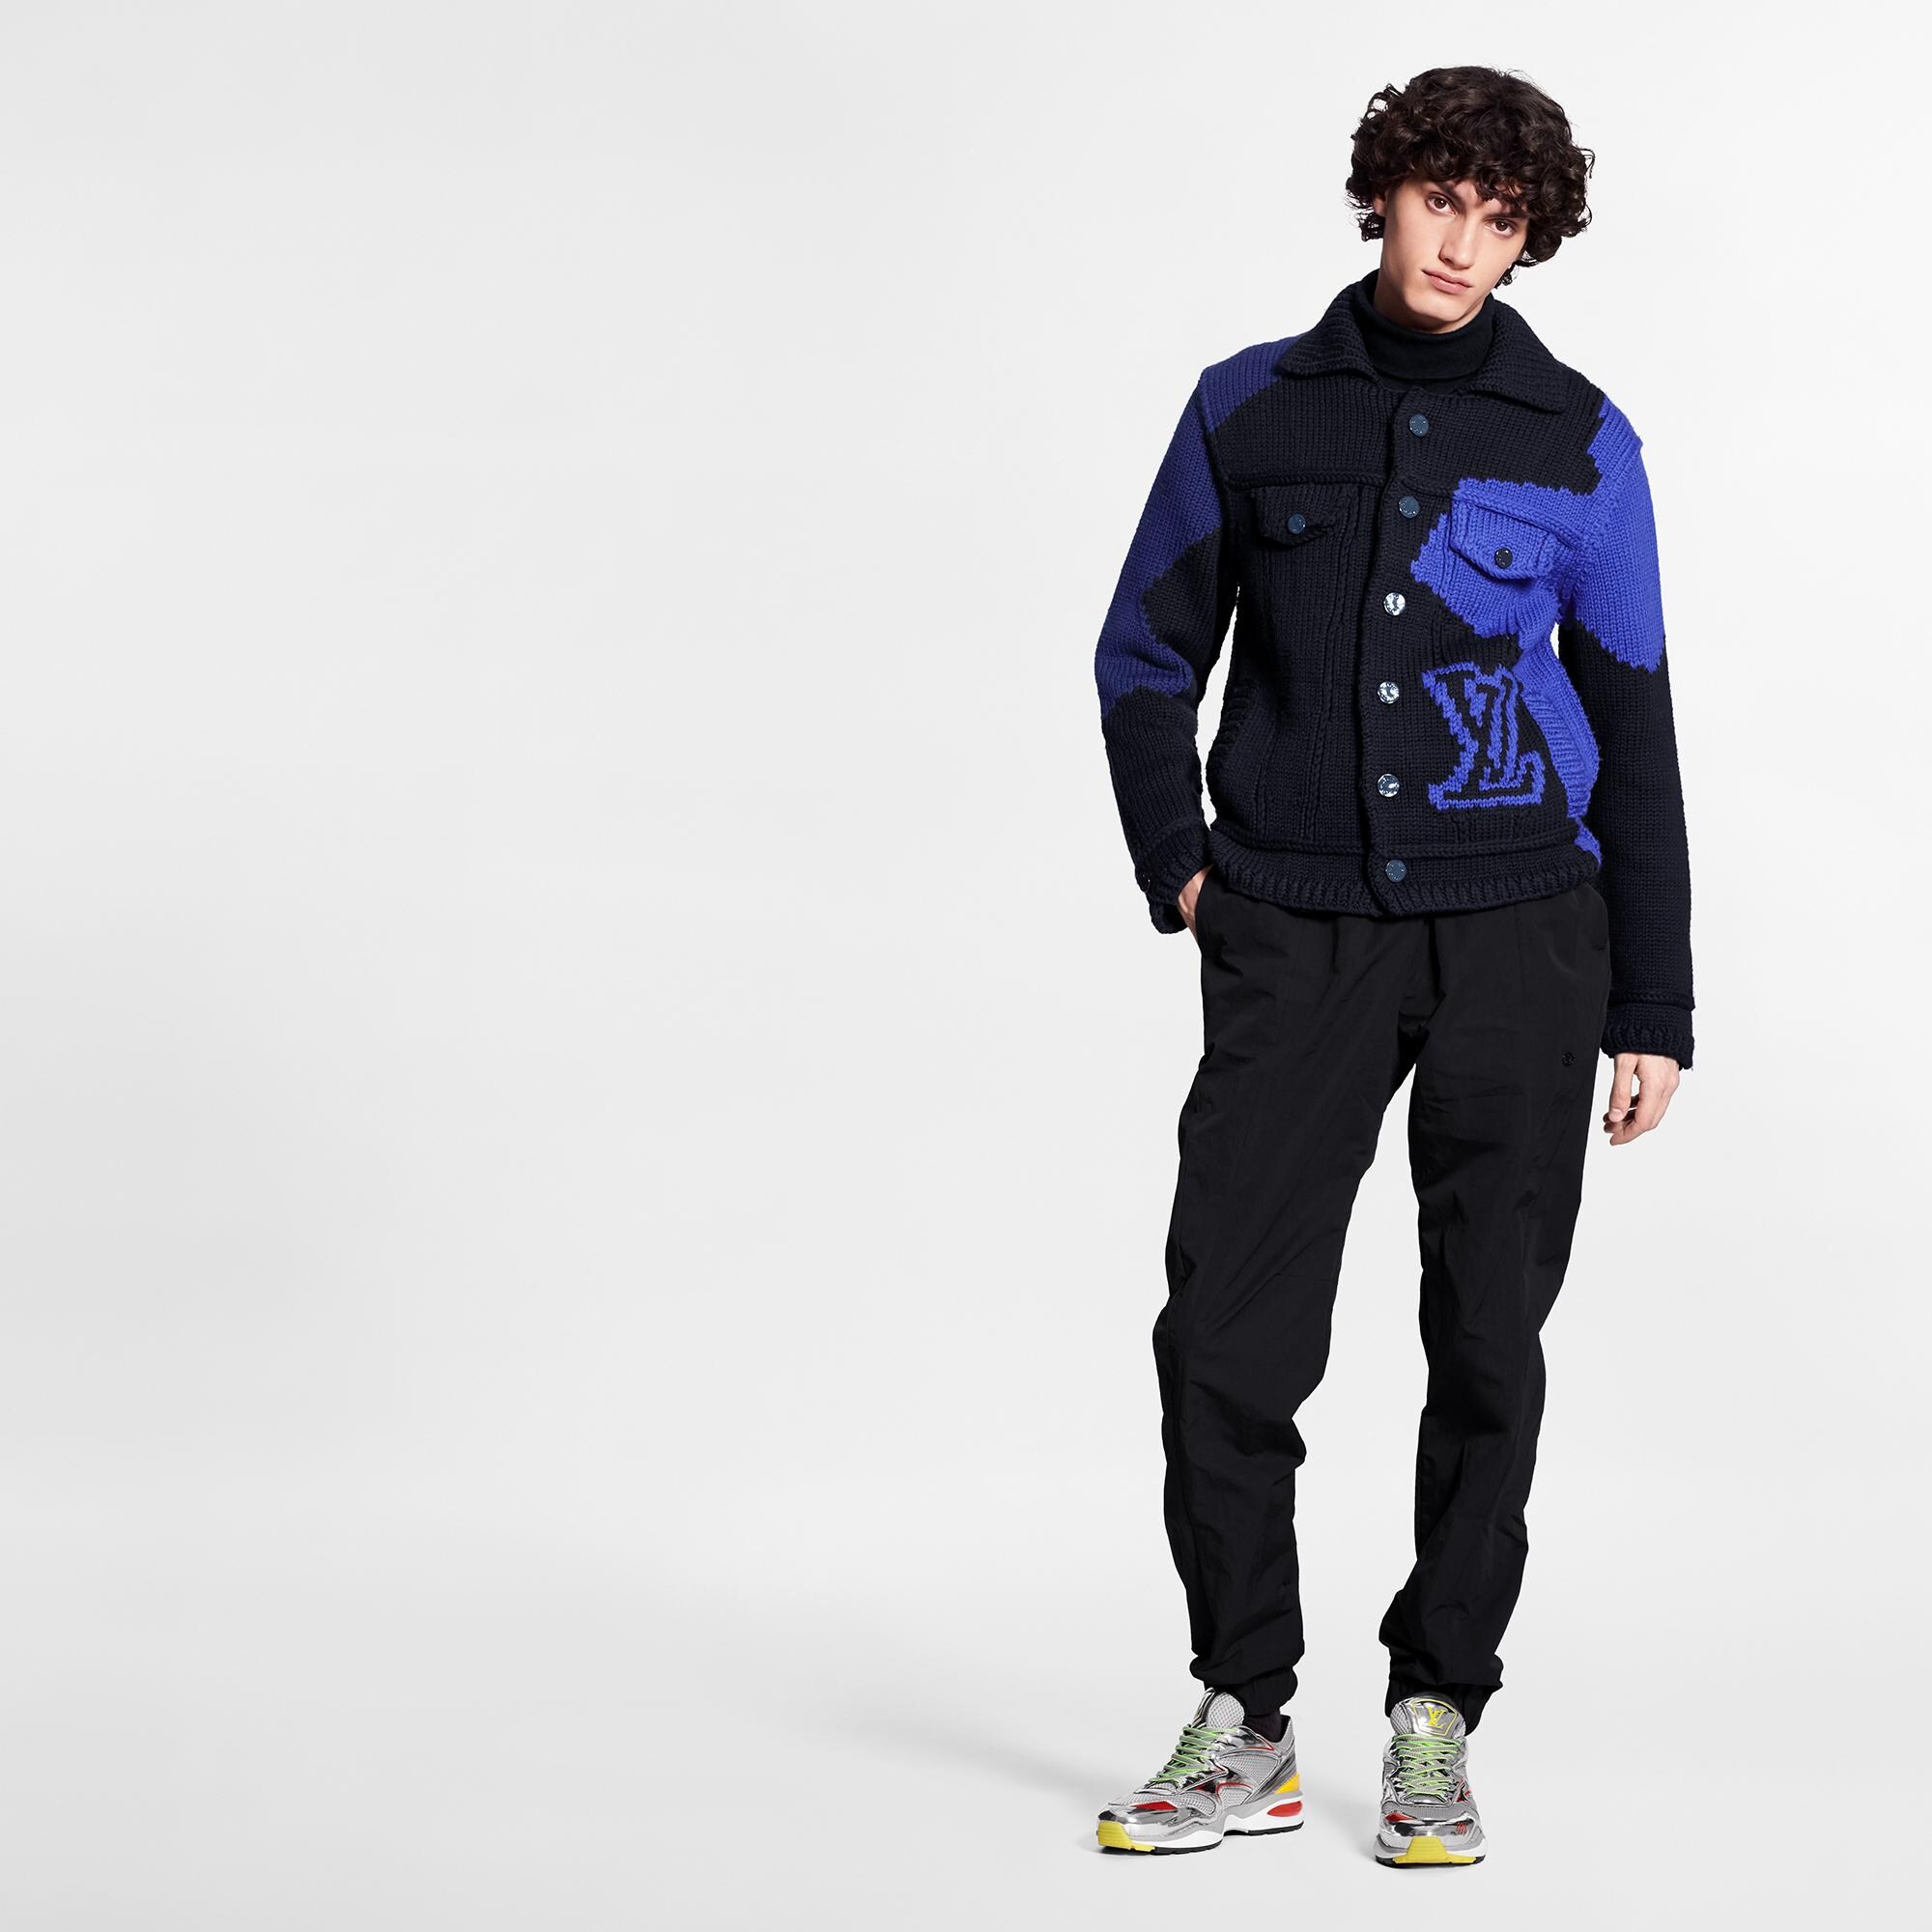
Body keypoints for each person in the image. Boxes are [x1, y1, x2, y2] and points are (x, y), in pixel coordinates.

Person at [1089, 66, 1693, 1866]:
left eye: (1502, 222)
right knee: (1225, 1329)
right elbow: (1143, 658)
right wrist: (1186, 868)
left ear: (1530, 241)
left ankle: (1438, 1708)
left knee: (1487, 1334)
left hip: (1527, 942)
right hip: (1296, 931)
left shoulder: (1582, 438)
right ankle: (1245, 1713)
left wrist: (1654, 1000)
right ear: (1384, 195)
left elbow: (1636, 723)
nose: (1462, 245)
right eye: (1442, 200)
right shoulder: (1251, 405)